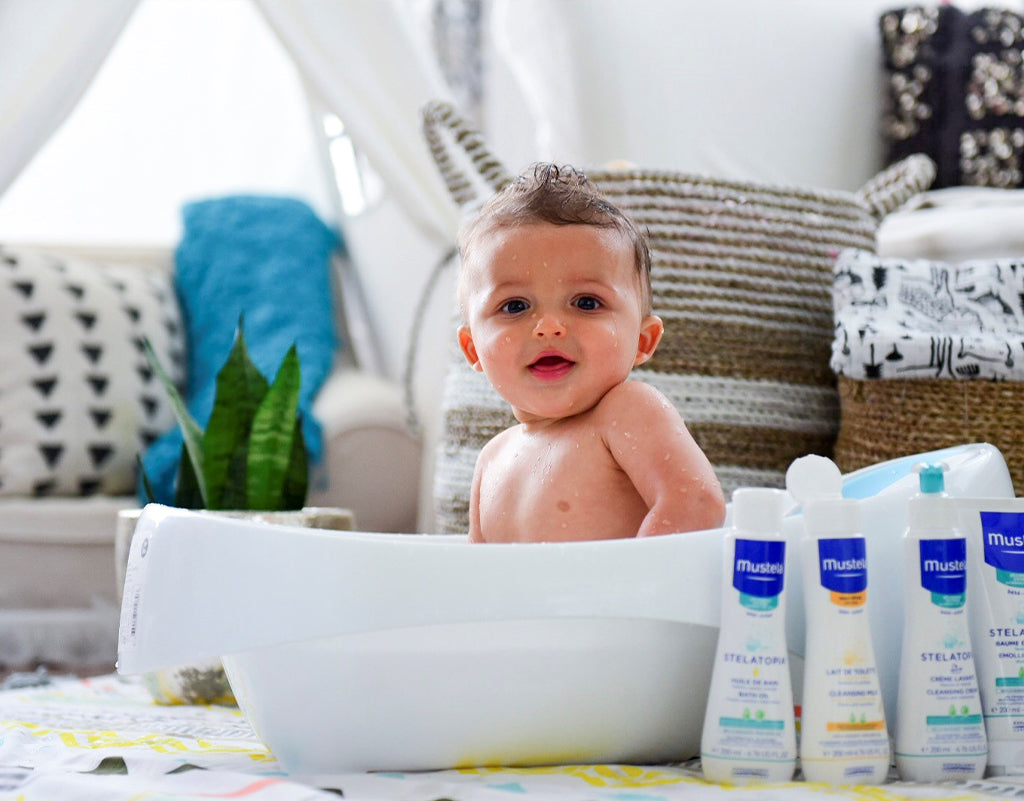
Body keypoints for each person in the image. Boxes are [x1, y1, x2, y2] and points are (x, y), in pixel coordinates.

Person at [456, 163, 726, 543]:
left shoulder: (625, 413)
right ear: (474, 350)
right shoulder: (491, 460)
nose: (548, 326)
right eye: (515, 306)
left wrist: (633, 585)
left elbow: (696, 502)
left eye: (586, 302)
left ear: (643, 341)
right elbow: (474, 576)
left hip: (624, 603)